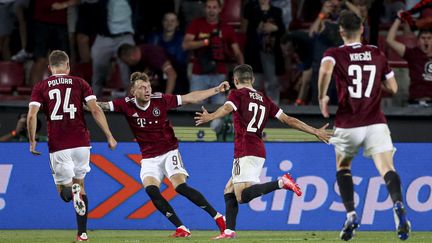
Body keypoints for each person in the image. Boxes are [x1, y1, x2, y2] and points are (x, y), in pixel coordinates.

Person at [194, 64, 331, 239]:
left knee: (242, 196)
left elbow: (227, 108)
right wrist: (315, 131)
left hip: (245, 149)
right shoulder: (264, 99)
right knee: (228, 191)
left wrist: (210, 116)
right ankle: (229, 231)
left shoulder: (237, 94)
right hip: (258, 149)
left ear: (235, 81)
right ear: (252, 80)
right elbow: (288, 120)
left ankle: (281, 182)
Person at [97, 71, 228, 238]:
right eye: (142, 87)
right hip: (149, 158)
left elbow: (190, 98)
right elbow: (101, 106)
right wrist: (83, 101)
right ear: (133, 92)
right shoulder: (125, 104)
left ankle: (218, 218)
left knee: (180, 187)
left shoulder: (160, 100)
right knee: (152, 190)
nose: (147, 90)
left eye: (148, 86)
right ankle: (181, 228)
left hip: (169, 152)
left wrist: (216, 90)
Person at [318, 10, 411, 241]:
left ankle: (350, 213)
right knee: (387, 167)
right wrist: (377, 86)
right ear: (362, 29)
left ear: (340, 32)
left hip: (348, 123)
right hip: (375, 122)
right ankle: (398, 204)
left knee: (343, 167)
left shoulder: (333, 54)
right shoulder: (377, 53)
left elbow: (325, 70)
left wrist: (322, 97)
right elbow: (394, 87)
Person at [27, 50, 117, 241]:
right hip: (82, 143)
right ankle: (82, 234)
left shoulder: (41, 86)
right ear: (68, 66)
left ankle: (72, 193)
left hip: (59, 143)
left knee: (64, 193)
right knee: (81, 186)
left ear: (49, 68)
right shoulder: (80, 83)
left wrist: (32, 140)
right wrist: (109, 135)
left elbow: (32, 115)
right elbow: (94, 109)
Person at [182, 0, 244, 105]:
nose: (211, 10)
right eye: (209, 7)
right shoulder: (196, 24)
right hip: (199, 73)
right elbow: (185, 45)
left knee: (219, 109)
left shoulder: (226, 27)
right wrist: (207, 42)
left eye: (214, 7)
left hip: (219, 74)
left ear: (219, 9)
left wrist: (242, 71)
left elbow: (237, 52)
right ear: (204, 9)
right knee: (197, 109)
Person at [243, 0, 285, 104]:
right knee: (255, 82)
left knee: (272, 83)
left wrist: (275, 28)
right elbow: (248, 24)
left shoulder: (276, 11)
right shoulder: (251, 8)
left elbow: (283, 31)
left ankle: (274, 107)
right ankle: (252, 107)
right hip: (254, 52)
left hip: (271, 52)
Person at [386, 11, 432, 107]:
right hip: (414, 104)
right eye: (423, 38)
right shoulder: (413, 53)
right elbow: (389, 40)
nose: (426, 40)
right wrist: (398, 19)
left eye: (429, 38)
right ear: (418, 41)